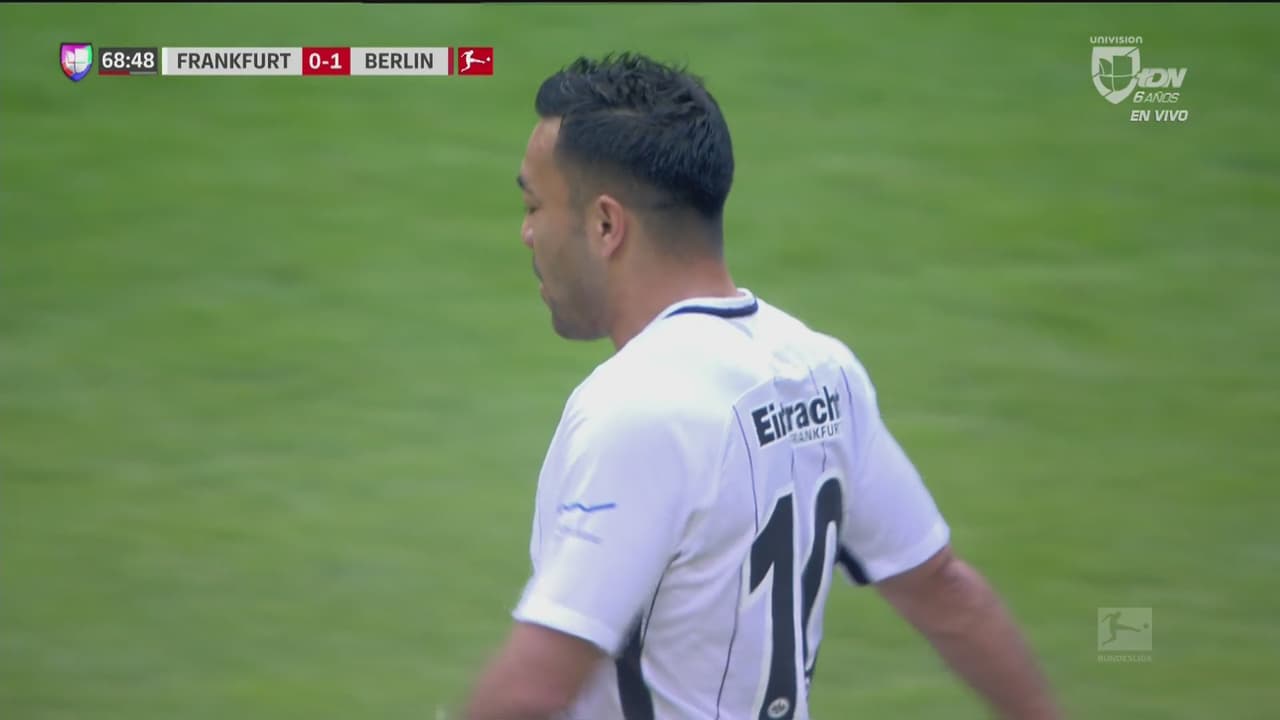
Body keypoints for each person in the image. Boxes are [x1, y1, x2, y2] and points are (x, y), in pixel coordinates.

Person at [463, 52, 1060, 720]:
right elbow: (944, 589)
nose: (527, 233)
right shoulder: (821, 369)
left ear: (606, 224)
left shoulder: (636, 410)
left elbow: (534, 687)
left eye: (534, 205)